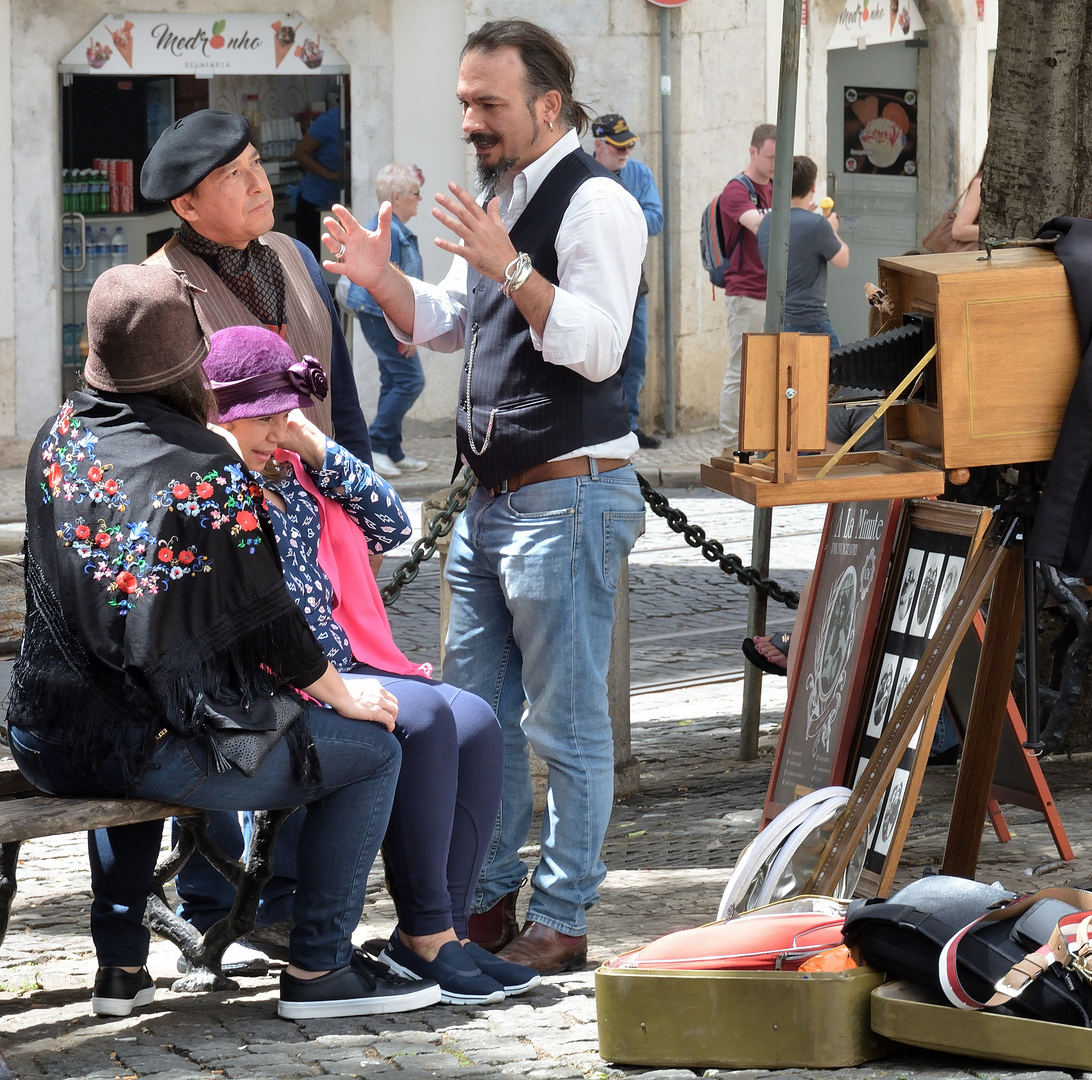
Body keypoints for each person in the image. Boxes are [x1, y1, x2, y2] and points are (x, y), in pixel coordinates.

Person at [4, 264, 438, 1020]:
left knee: (130, 705)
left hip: (41, 735)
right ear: (190, 369)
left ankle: (120, 968)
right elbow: (269, 621)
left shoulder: (58, 436)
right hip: (143, 747)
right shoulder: (206, 468)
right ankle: (319, 972)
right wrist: (346, 694)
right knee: (376, 753)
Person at [321, 17, 648, 976]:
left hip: (571, 495)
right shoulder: (503, 196)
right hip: (494, 502)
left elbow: (594, 344)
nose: (470, 120)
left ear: (549, 105)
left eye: (488, 103)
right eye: (464, 102)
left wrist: (511, 263)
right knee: (476, 716)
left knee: (567, 723)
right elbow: (450, 321)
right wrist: (385, 283)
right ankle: (486, 897)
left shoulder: (598, 206)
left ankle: (564, 914)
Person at [181, 325, 538, 1004]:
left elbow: (390, 526)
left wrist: (311, 443)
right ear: (214, 413)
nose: (269, 430)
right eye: (254, 416)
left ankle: (444, 936)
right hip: (283, 681)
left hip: (344, 662)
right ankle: (427, 937)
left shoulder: (290, 470)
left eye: (280, 413)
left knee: (478, 722)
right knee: (426, 714)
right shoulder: (217, 486)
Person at [141, 108, 371, 464]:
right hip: (234, 509)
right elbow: (160, 435)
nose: (258, 184)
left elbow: (341, 398)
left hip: (327, 497)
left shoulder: (298, 255)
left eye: (256, 162)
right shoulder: (156, 290)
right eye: (233, 174)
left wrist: (362, 496)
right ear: (187, 204)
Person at [344, 163, 431, 478]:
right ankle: (376, 445)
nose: (420, 199)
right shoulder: (389, 231)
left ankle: (391, 450)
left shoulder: (395, 229)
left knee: (394, 380)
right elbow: (387, 287)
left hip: (382, 315)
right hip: (383, 316)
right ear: (397, 196)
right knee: (410, 381)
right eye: (415, 193)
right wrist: (407, 330)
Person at [592, 113, 664, 448]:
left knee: (635, 356)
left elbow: (656, 219)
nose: (625, 152)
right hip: (592, 281)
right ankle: (599, 423)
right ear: (598, 145)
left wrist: (619, 214)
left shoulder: (639, 174)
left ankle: (628, 424)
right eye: (618, 146)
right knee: (597, 355)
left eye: (629, 145)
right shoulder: (581, 172)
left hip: (634, 283)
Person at [716, 124, 777, 456]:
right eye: (769, 156)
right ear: (753, 151)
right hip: (746, 292)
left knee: (768, 372)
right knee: (741, 370)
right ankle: (730, 444)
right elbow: (759, 226)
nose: (774, 164)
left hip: (774, 294)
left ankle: (762, 442)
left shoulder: (777, 188)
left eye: (779, 158)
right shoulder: (737, 190)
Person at [755, 155, 849, 348]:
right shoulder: (818, 225)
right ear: (813, 187)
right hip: (811, 323)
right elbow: (842, 259)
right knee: (835, 373)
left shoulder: (766, 222)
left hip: (775, 322)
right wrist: (831, 229)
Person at [293, 103, 343, 255]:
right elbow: (300, 153)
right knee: (314, 264)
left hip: (344, 208)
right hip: (315, 205)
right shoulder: (331, 120)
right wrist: (329, 174)